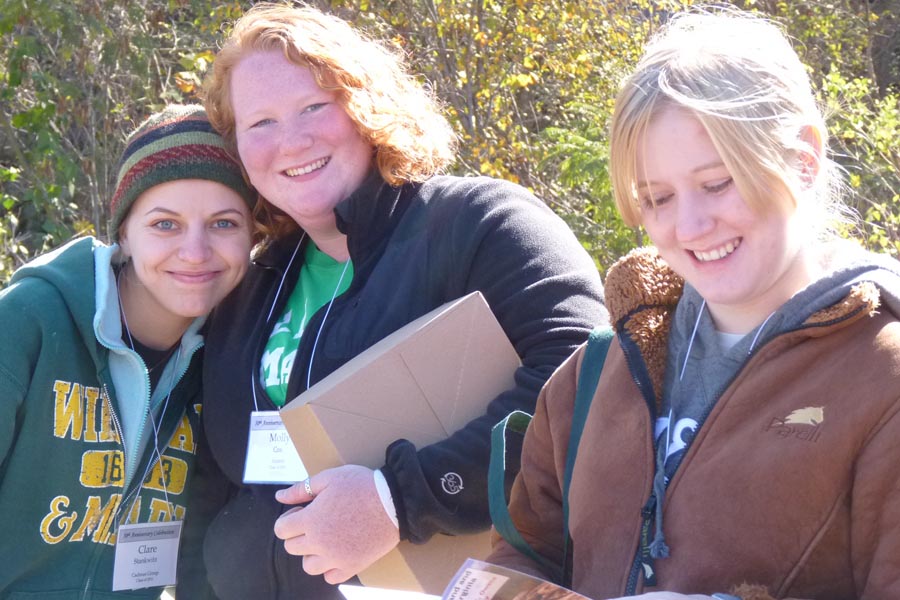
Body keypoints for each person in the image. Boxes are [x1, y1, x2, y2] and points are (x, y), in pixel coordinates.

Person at [181, 3, 607, 598]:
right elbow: (212, 488)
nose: (292, 140)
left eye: (313, 107)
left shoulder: (480, 225)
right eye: (261, 124)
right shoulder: (247, 291)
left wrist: (399, 498)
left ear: (366, 107)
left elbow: (586, 382)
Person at [487, 8, 900, 600]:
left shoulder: (883, 379)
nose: (690, 226)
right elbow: (524, 555)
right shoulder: (592, 373)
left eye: (717, 183)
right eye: (656, 198)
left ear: (802, 159)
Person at [0, 104, 254, 597]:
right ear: (124, 232)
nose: (196, 251)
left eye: (224, 224)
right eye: (165, 224)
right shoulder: (27, 321)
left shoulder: (235, 360)